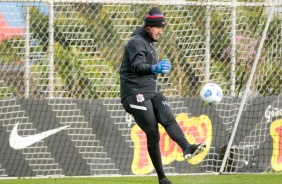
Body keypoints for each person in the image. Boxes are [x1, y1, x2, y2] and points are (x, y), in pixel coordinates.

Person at [119, 6, 206, 184]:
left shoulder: (150, 44)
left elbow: (148, 70)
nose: (160, 31)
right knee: (153, 132)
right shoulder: (136, 42)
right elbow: (137, 66)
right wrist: (155, 68)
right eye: (158, 27)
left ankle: (187, 147)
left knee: (168, 118)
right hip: (134, 92)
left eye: (162, 27)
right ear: (149, 26)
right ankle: (162, 178)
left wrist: (158, 68)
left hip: (152, 90)